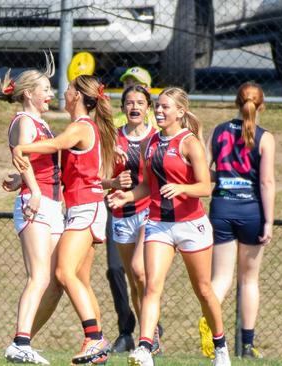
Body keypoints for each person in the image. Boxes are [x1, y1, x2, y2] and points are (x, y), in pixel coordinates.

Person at [108, 87, 231, 366]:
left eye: (165, 107)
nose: (159, 111)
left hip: (191, 226)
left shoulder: (189, 143)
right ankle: (145, 348)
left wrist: (182, 188)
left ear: (180, 112)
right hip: (159, 225)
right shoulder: (150, 142)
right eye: (158, 107)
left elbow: (204, 187)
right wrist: (127, 195)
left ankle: (221, 346)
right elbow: (146, 187)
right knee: (151, 286)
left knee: (203, 290)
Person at [12, 75, 117, 365]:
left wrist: (22, 149)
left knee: (63, 273)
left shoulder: (80, 126)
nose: (64, 92)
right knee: (78, 279)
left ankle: (95, 338)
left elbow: (57, 144)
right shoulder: (81, 126)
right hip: (80, 208)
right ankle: (96, 348)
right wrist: (19, 176)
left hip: (86, 210)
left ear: (78, 97)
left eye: (69, 89)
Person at [0, 53, 65, 365]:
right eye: (45, 89)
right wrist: (31, 189)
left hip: (50, 202)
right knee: (39, 276)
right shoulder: (24, 122)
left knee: (56, 281)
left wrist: (22, 180)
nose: (51, 94)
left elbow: (31, 165)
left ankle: (24, 340)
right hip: (37, 205)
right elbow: (21, 155)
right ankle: (21, 341)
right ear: (29, 93)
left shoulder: (41, 123)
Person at [198, 82, 275, 360]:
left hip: (221, 208)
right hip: (251, 211)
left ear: (235, 103)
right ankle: (247, 346)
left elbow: (203, 171)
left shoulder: (219, 131)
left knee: (221, 278)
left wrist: (224, 177)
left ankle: (209, 320)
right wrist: (268, 221)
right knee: (249, 280)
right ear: (262, 105)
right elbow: (266, 182)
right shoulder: (266, 138)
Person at [102, 85, 160, 353]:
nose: (134, 106)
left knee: (140, 270)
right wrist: (113, 180)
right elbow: (96, 179)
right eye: (129, 102)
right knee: (131, 278)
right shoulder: (113, 139)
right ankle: (145, 338)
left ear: (148, 107)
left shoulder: (157, 138)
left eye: (140, 102)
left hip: (149, 211)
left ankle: (151, 337)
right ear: (123, 108)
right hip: (121, 215)